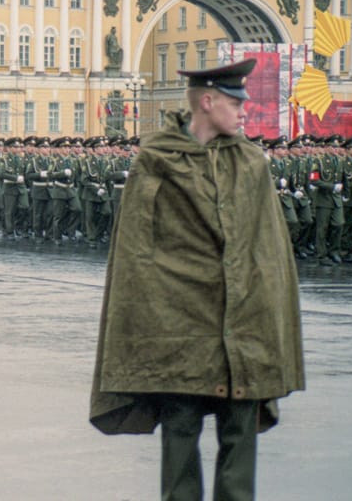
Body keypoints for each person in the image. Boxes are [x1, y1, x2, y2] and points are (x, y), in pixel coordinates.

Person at [90, 58, 304, 501]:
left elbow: (269, 253)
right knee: (181, 437)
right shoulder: (155, 161)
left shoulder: (251, 163)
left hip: (242, 331)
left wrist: (266, 323)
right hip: (179, 331)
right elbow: (137, 256)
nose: (245, 110)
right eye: (234, 102)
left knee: (239, 439)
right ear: (207, 102)